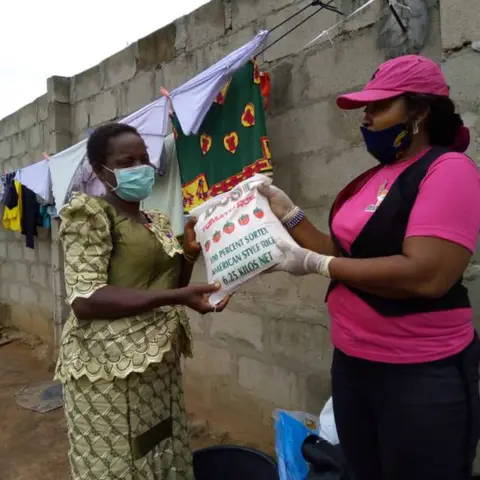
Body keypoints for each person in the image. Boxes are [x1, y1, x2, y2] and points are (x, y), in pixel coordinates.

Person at [260, 55, 480, 480]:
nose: (367, 118)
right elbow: (343, 255)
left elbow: (427, 275)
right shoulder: (375, 178)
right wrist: (288, 213)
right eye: (366, 108)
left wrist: (318, 264)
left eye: (379, 107)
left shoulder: (447, 170)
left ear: (418, 111)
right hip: (353, 364)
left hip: (418, 374)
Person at [55, 123, 228, 479]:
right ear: (101, 171)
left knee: (161, 449)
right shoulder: (91, 215)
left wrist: (190, 258)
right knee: (123, 461)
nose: (140, 167)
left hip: (155, 362)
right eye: (126, 161)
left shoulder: (156, 221)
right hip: (106, 367)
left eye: (144, 158)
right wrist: (177, 295)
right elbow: (85, 299)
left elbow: (170, 287)